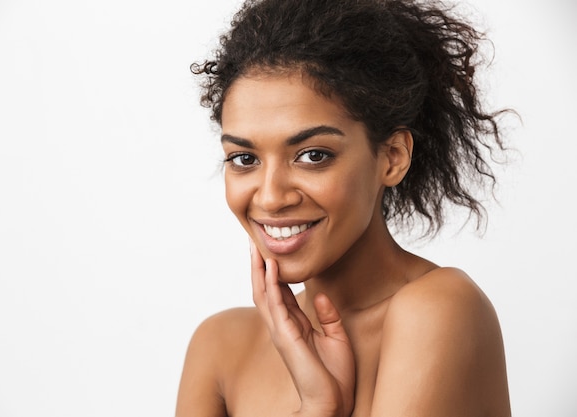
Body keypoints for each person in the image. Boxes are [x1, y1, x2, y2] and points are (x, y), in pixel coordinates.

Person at [176, 0, 512, 415]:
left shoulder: (439, 310)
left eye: (313, 155)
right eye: (245, 159)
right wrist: (318, 406)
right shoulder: (220, 346)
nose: (270, 197)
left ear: (391, 157)